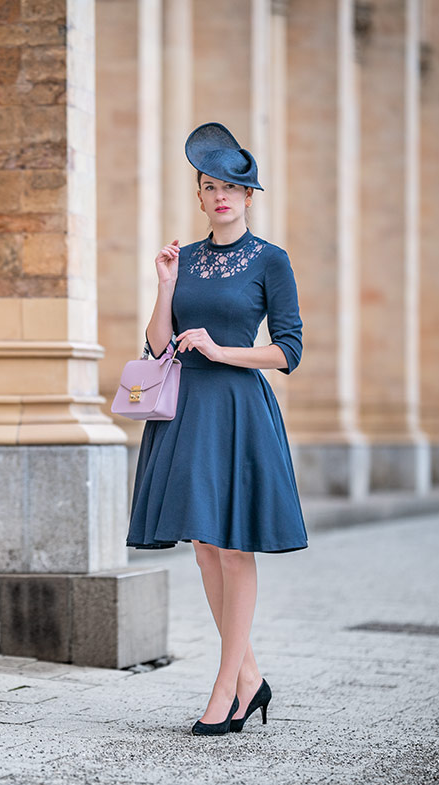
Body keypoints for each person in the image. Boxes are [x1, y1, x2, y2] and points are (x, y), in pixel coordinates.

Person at [127, 122, 307, 736]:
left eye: (232, 185)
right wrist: (166, 285)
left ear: (249, 195)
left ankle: (226, 687)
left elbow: (289, 351)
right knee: (205, 548)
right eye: (210, 186)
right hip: (186, 410)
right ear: (200, 197)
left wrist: (223, 350)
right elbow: (156, 347)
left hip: (237, 408)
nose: (221, 195)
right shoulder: (187, 259)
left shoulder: (270, 260)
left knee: (234, 547)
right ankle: (250, 678)